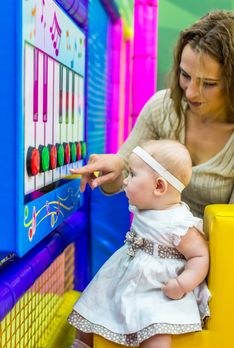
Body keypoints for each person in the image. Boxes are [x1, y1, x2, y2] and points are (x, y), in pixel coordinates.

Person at [70, 9, 234, 218]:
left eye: (208, 84)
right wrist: (114, 170)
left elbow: (229, 232)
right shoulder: (162, 107)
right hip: (148, 245)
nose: (191, 92)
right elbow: (124, 173)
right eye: (185, 75)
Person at [67, 140, 210, 348]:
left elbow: (200, 256)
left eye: (132, 175)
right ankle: (81, 344)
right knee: (96, 297)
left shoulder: (179, 222)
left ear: (159, 186)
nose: (125, 181)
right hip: (128, 271)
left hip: (159, 286)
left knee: (157, 325)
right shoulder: (144, 206)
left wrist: (182, 284)